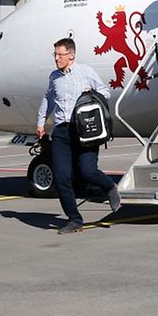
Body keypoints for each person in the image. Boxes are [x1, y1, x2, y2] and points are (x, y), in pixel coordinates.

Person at [36, 37, 121, 234]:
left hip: (84, 130)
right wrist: (41, 122)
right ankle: (75, 219)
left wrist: (92, 92)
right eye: (55, 55)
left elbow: (105, 92)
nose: (56, 58)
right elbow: (48, 98)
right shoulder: (54, 77)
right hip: (61, 131)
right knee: (61, 177)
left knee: (87, 171)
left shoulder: (86, 72)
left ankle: (109, 188)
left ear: (71, 55)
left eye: (60, 55)